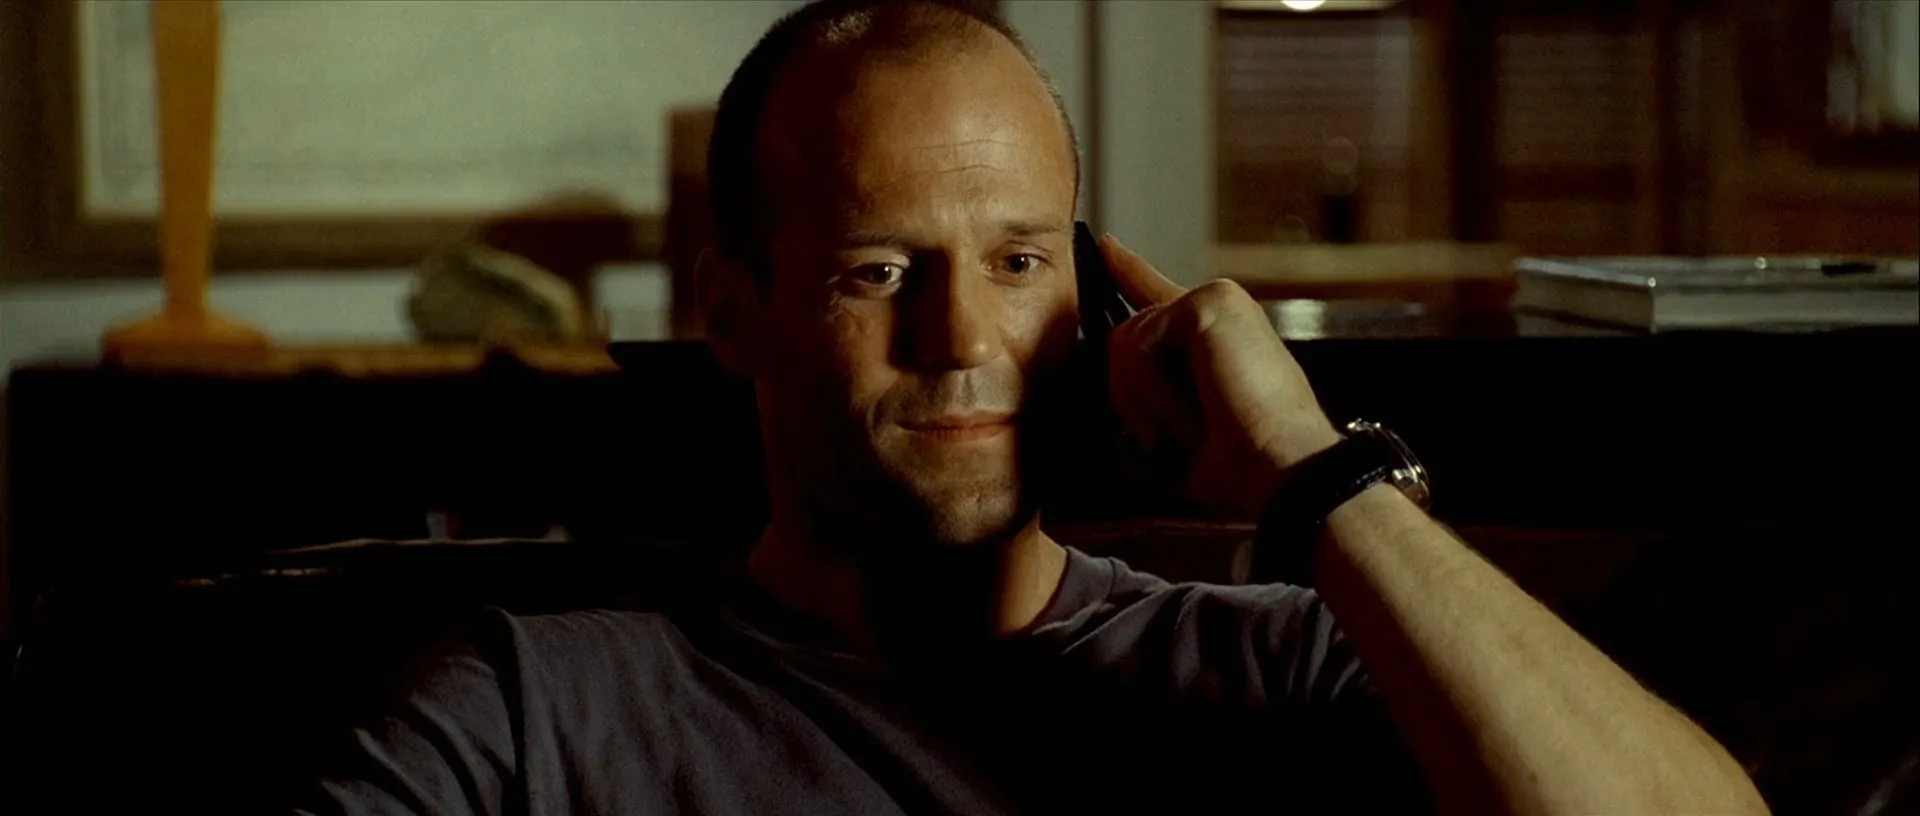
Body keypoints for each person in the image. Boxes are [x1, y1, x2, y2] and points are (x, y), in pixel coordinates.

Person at [296, 1, 1770, 813]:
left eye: (1016, 263)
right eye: (880, 272)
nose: (960, 339)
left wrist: (1318, 482)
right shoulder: (533, 712)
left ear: (1096, 293)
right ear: (732, 310)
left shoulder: (1276, 672)